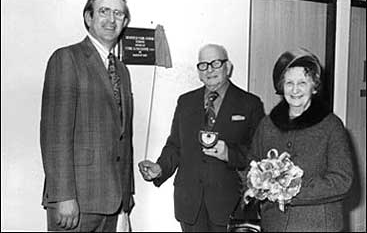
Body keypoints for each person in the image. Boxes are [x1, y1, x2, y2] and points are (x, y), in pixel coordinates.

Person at [138, 44, 265, 232]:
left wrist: (229, 153)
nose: (209, 70)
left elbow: (259, 154)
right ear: (198, 71)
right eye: (203, 65)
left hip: (229, 203)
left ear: (228, 67)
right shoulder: (185, 102)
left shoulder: (250, 103)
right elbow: (175, 146)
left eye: (215, 63)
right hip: (190, 203)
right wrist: (160, 168)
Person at [40, 0, 134, 232]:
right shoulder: (66, 59)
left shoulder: (122, 71)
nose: (111, 20)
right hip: (75, 202)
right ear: (88, 18)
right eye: (104, 11)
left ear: (124, 22)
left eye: (118, 14)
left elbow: (124, 137)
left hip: (113, 202)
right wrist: (63, 196)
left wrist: (126, 195)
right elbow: (55, 136)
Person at [248, 48, 354, 232]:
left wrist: (292, 190)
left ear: (314, 87)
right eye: (289, 83)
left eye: (302, 83)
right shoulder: (267, 125)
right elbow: (250, 164)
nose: (295, 90)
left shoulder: (331, 126)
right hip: (275, 224)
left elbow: (342, 180)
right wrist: (255, 186)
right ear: (281, 87)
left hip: (319, 225)